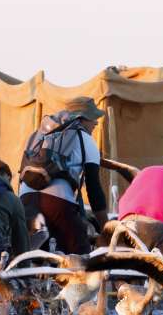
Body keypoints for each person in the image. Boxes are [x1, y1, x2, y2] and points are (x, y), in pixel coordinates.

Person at [19, 97, 107, 255]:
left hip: (25, 199)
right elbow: (94, 190)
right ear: (81, 118)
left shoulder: (37, 135)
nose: (96, 123)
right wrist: (106, 228)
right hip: (58, 202)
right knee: (80, 254)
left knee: (36, 254)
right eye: (93, 118)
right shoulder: (86, 140)